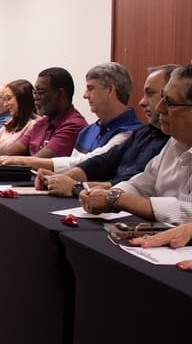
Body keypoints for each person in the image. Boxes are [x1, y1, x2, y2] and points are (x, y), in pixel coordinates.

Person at [36, 65, 175, 197]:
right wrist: (61, 178)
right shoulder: (144, 132)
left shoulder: (132, 132)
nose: (141, 102)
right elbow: (105, 161)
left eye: (90, 88)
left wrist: (76, 187)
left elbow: (133, 184)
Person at [79, 64, 192, 224]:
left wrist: (117, 199)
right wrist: (109, 194)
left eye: (170, 102)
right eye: (162, 98)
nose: (160, 108)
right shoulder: (175, 142)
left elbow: (188, 213)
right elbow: (141, 185)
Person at [0, 63, 141, 170]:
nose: (85, 95)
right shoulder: (88, 131)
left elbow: (84, 164)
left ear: (110, 91)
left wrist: (22, 162)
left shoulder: (131, 133)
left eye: (90, 88)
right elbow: (73, 166)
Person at [0, 67, 87, 159]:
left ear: (61, 94)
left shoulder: (73, 125)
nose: (36, 98)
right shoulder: (41, 123)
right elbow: (9, 152)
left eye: (41, 93)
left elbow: (37, 161)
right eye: (35, 93)